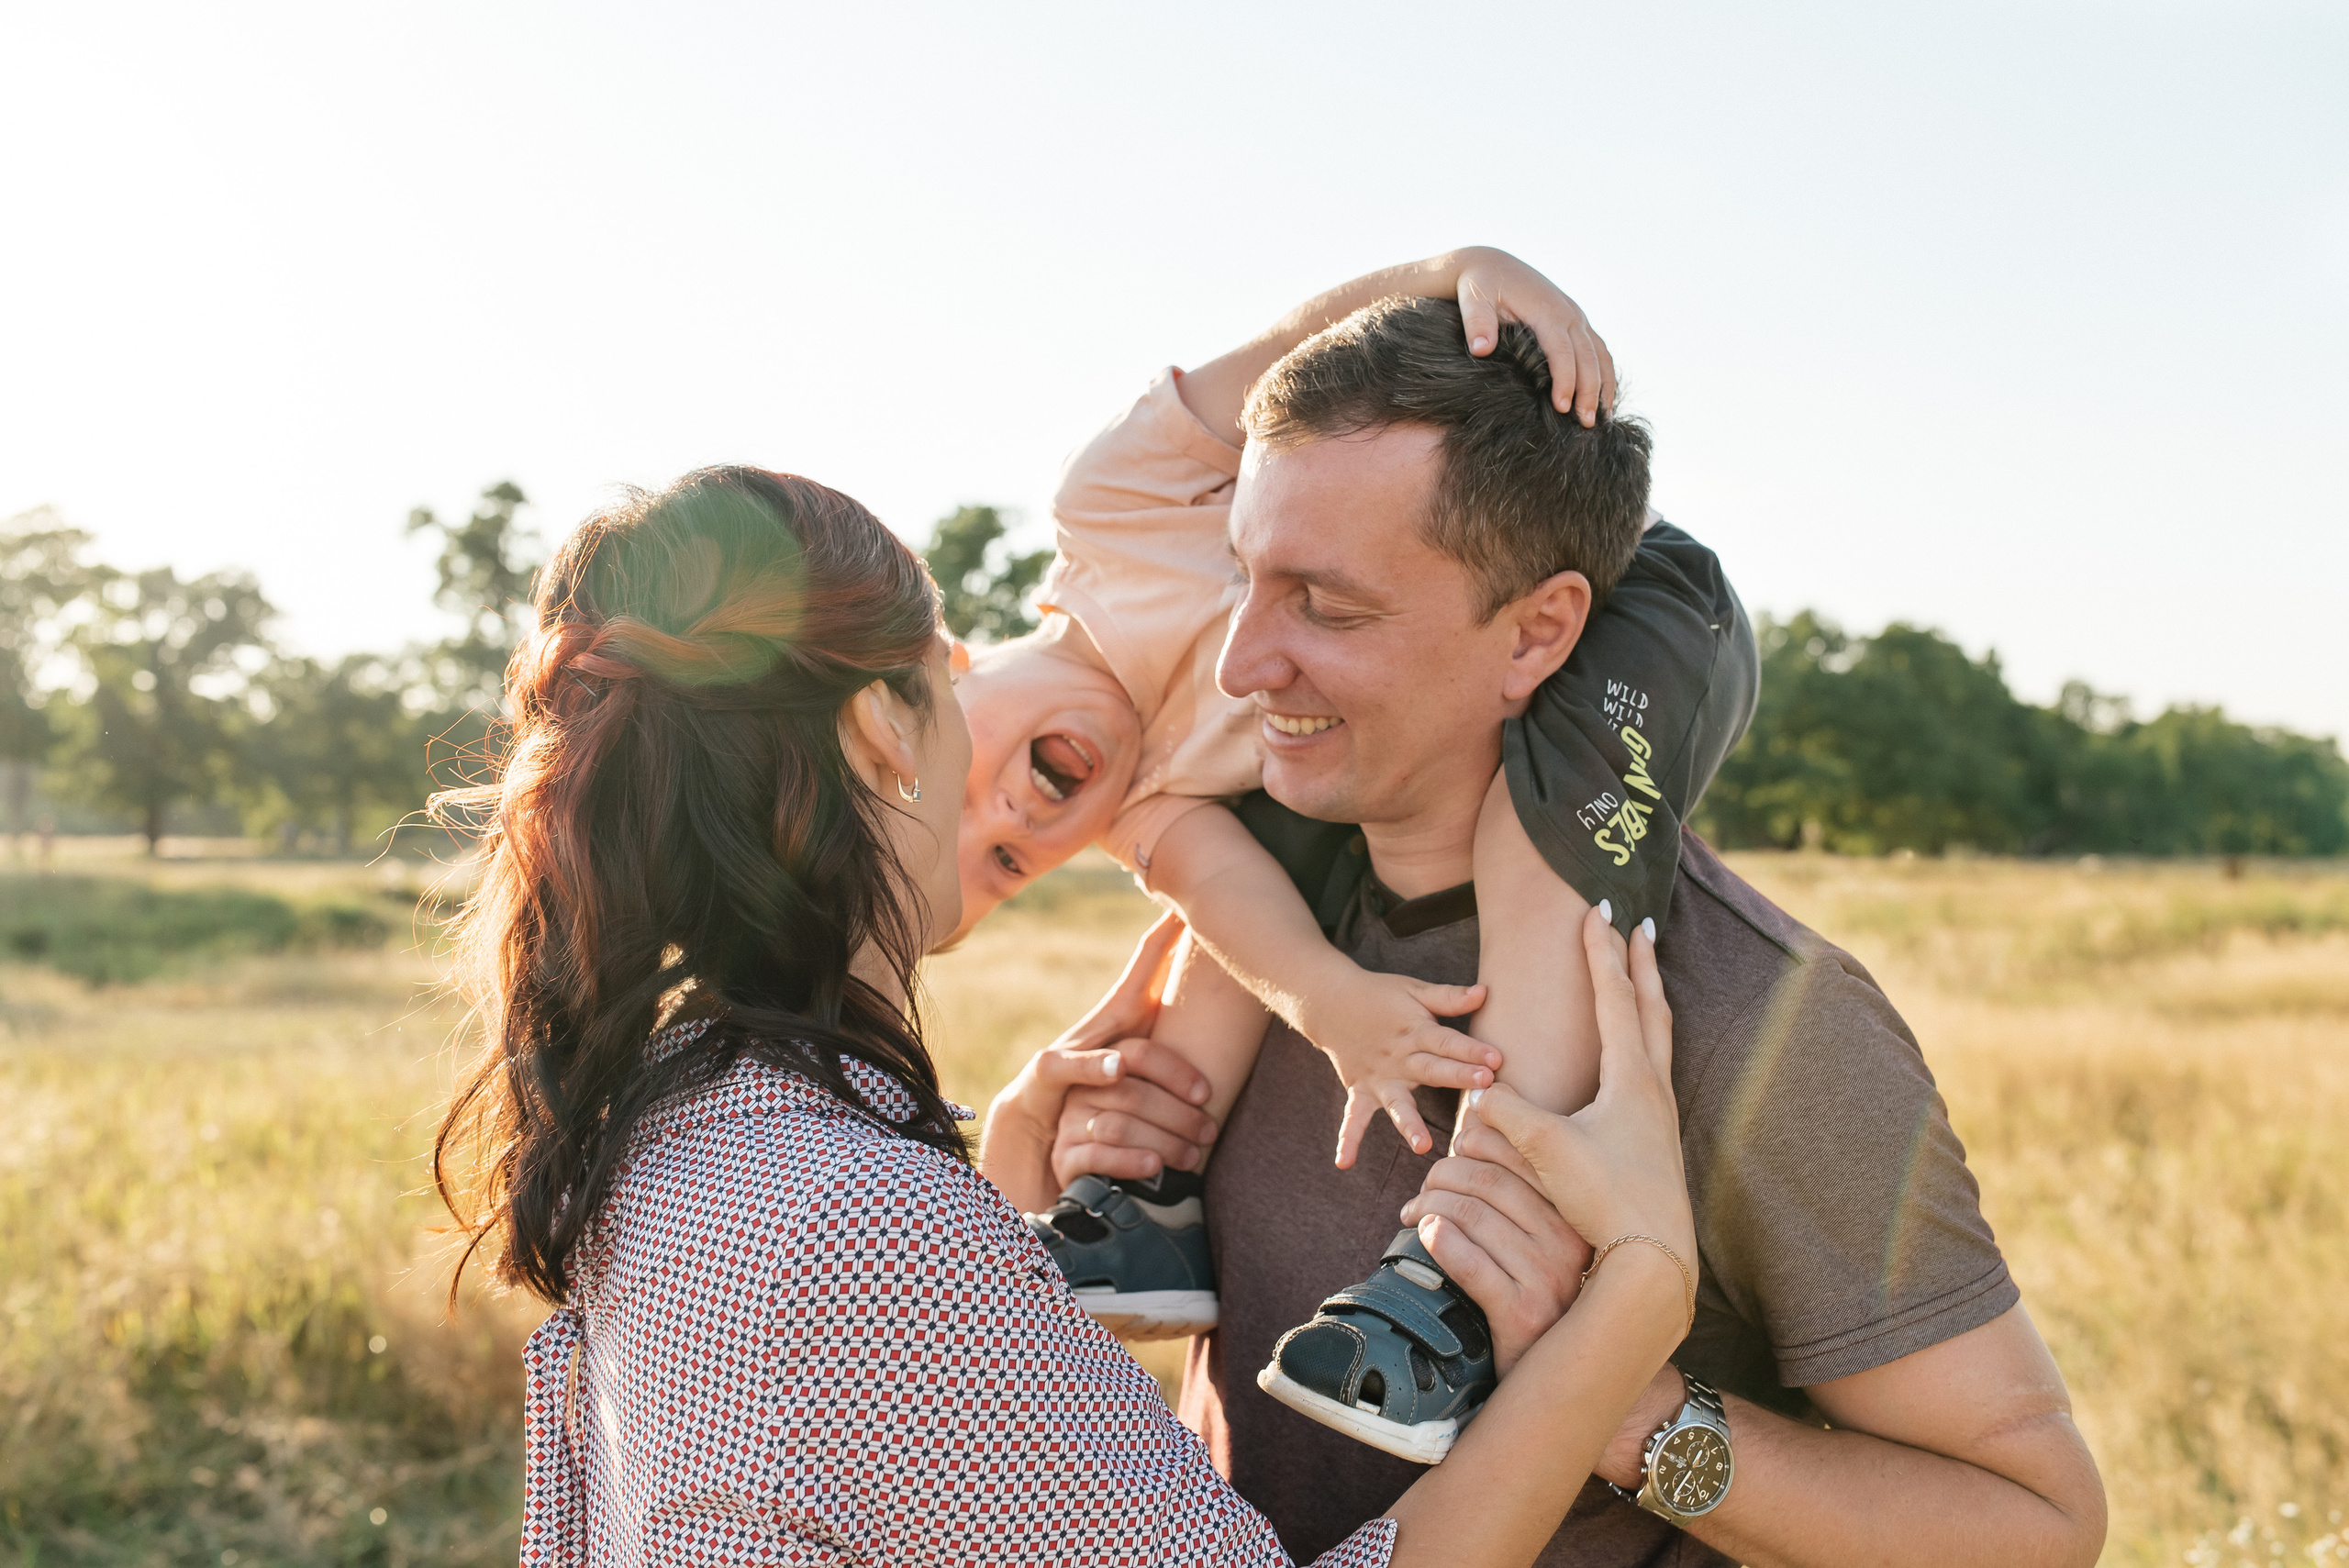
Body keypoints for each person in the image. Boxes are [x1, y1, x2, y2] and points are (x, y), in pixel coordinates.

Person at [429, 464, 1705, 1565]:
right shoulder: (855, 1229)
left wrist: (996, 1217)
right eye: (943, 681)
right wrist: (1636, 1298)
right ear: (882, 724)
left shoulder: (675, 1132)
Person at [1012, 306, 2111, 1565]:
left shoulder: (1753, 1020)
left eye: (1326, 606)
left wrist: (1612, 1402)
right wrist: (1031, 1187)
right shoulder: (1250, 940)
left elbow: (2037, 1527)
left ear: (1538, 631)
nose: (1241, 665)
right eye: (1245, 578)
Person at [959, 253, 1753, 1434]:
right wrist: (1334, 1000)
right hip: (1370, 708)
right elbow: (1239, 909)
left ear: (947, 664)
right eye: (1003, 868)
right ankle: (1145, 1204)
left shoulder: (1112, 508)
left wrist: (1449, 271)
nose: (1007, 821)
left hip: (1639, 594)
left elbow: (1289, 368)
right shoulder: (1152, 800)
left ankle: (1466, 1269)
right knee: (1222, 899)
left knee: (1535, 840)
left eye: (959, 784)